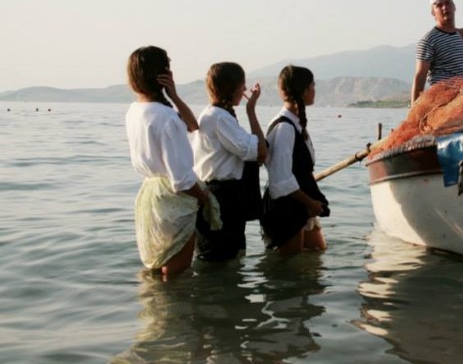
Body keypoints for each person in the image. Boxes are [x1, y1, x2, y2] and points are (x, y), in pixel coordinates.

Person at [125, 46, 220, 278]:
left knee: (157, 270)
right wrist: (205, 199)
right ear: (163, 75)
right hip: (173, 199)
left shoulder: (135, 111)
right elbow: (182, 180)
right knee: (176, 274)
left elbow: (192, 126)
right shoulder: (165, 117)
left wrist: (173, 96)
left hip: (150, 196)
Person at [191, 62, 268, 261]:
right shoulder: (219, 118)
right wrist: (251, 111)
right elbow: (260, 151)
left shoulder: (218, 115)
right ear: (231, 87)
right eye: (242, 84)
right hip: (222, 198)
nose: (244, 89)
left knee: (226, 256)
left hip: (224, 197)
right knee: (222, 257)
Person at [260, 65, 329, 254]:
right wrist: (311, 204)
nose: (314, 90)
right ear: (306, 90)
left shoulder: (295, 124)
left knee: (316, 253)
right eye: (313, 86)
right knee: (290, 269)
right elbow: (281, 181)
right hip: (287, 206)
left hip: (300, 202)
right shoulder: (285, 128)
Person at [411, 0, 463, 105]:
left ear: (454, 7)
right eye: (439, 5)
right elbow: (420, 76)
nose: (444, 7)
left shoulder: (461, 36)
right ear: (433, 13)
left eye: (448, 3)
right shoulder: (428, 40)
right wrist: (414, 109)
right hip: (443, 102)